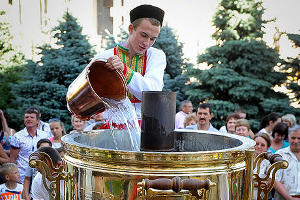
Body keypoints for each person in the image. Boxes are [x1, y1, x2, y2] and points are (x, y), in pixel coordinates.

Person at [92, 4, 166, 120]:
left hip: (145, 129)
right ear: (131, 29)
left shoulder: (156, 56)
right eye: (144, 35)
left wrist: (124, 71)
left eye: (152, 39)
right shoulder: (105, 56)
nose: (147, 43)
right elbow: (82, 91)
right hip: (112, 129)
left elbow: (153, 92)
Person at [9, 107, 49, 184]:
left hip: (39, 175)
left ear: (38, 121)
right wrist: (13, 176)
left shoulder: (45, 135)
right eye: (26, 117)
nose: (29, 119)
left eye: (32, 117)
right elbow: (13, 159)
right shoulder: (17, 136)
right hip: (22, 176)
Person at [274, 127, 300, 199]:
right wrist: (289, 198)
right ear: (288, 138)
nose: (296, 141)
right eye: (293, 138)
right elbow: (275, 180)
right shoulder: (280, 155)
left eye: (299, 138)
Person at [253, 132, 272, 200]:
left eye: (263, 145)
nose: (259, 147)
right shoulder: (245, 159)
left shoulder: (269, 162)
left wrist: (250, 182)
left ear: (267, 148)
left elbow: (269, 182)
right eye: (256, 144)